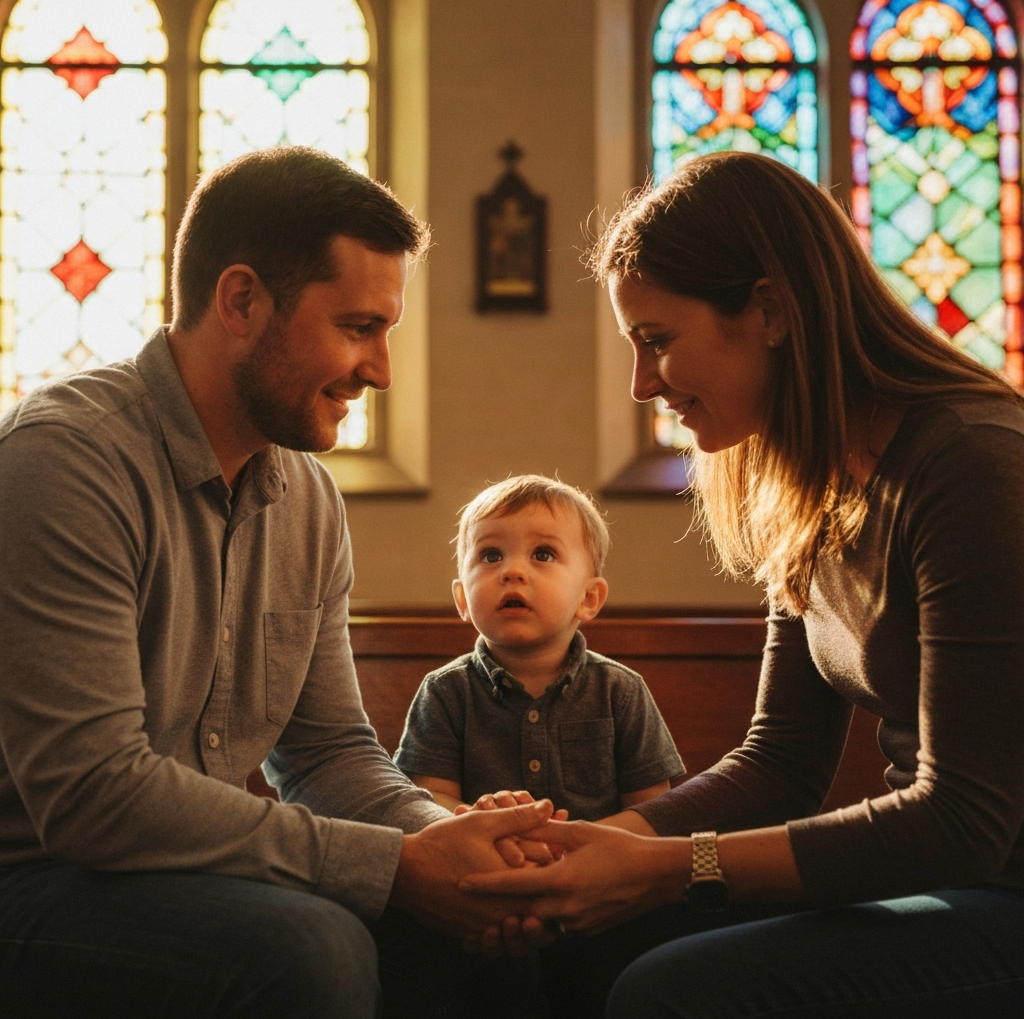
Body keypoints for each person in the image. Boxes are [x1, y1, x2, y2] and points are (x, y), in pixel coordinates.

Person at [459, 151, 1024, 1017]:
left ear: (770, 311)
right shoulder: (808, 482)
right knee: (574, 938)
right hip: (952, 874)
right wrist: (578, 853)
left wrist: (664, 868)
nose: (645, 386)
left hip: (995, 884)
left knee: (670, 989)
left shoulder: (973, 465)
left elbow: (964, 822)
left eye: (657, 342)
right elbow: (781, 761)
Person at [0, 146, 556, 1019]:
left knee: (487, 931)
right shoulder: (66, 462)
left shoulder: (309, 500)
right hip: (35, 878)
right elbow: (93, 797)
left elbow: (329, 755)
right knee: (307, 951)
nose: (380, 370)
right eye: (358, 328)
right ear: (242, 300)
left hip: (191, 878)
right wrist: (399, 868)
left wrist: (458, 847)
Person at [394, 474, 683, 821]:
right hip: (484, 862)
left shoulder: (620, 691)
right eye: (491, 555)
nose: (512, 571)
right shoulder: (445, 692)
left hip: (596, 868)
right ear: (462, 599)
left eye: (542, 554)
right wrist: (478, 818)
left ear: (588, 598)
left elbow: (650, 810)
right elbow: (428, 800)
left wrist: (585, 846)